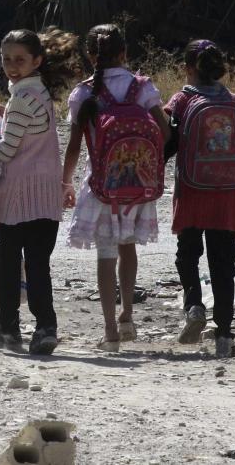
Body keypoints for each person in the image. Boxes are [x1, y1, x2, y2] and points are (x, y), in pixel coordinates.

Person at [0, 28, 76, 356]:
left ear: (37, 60)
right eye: (7, 59)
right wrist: (3, 111)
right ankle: (45, 327)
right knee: (38, 267)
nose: (11, 66)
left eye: (19, 60)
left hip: (20, 195)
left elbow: (6, 151)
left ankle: (9, 327)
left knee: (9, 265)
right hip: (46, 195)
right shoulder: (39, 91)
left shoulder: (21, 97)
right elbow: (27, 131)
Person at [61, 23, 169, 352]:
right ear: (124, 53)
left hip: (102, 188)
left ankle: (110, 332)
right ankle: (127, 316)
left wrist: (65, 181)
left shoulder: (83, 94)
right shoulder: (143, 87)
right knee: (128, 248)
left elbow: (75, 145)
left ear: (89, 55)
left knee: (106, 255)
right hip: (138, 186)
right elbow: (165, 131)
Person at [165, 39, 235, 359]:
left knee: (187, 254)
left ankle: (194, 306)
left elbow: (167, 143)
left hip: (193, 189)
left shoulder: (182, 100)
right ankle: (224, 336)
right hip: (229, 192)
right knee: (223, 265)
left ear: (188, 68)